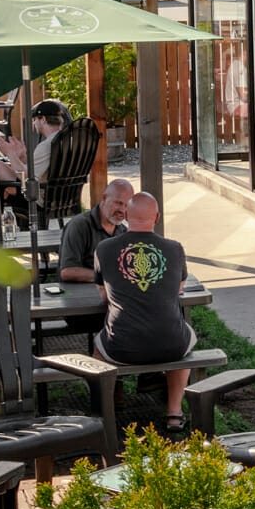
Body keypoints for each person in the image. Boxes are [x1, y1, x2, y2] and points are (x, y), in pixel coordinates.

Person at [94, 192, 194, 433]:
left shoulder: (104, 249)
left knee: (97, 350)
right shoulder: (175, 248)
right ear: (157, 217)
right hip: (171, 347)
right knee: (184, 336)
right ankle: (174, 413)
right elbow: (177, 290)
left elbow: (104, 296)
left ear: (126, 216)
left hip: (121, 347)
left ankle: (102, 413)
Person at [0, 99, 69, 223]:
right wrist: (22, 157)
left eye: (34, 120)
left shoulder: (47, 145)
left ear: (43, 119)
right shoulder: (65, 141)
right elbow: (40, 170)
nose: (33, 123)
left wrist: (10, 153)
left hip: (38, 199)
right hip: (63, 196)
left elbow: (28, 177)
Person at [59, 178, 134, 282]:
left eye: (127, 205)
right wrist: (106, 277)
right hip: (78, 294)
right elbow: (67, 272)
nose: (122, 210)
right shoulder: (79, 226)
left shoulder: (123, 231)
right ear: (104, 198)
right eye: (118, 203)